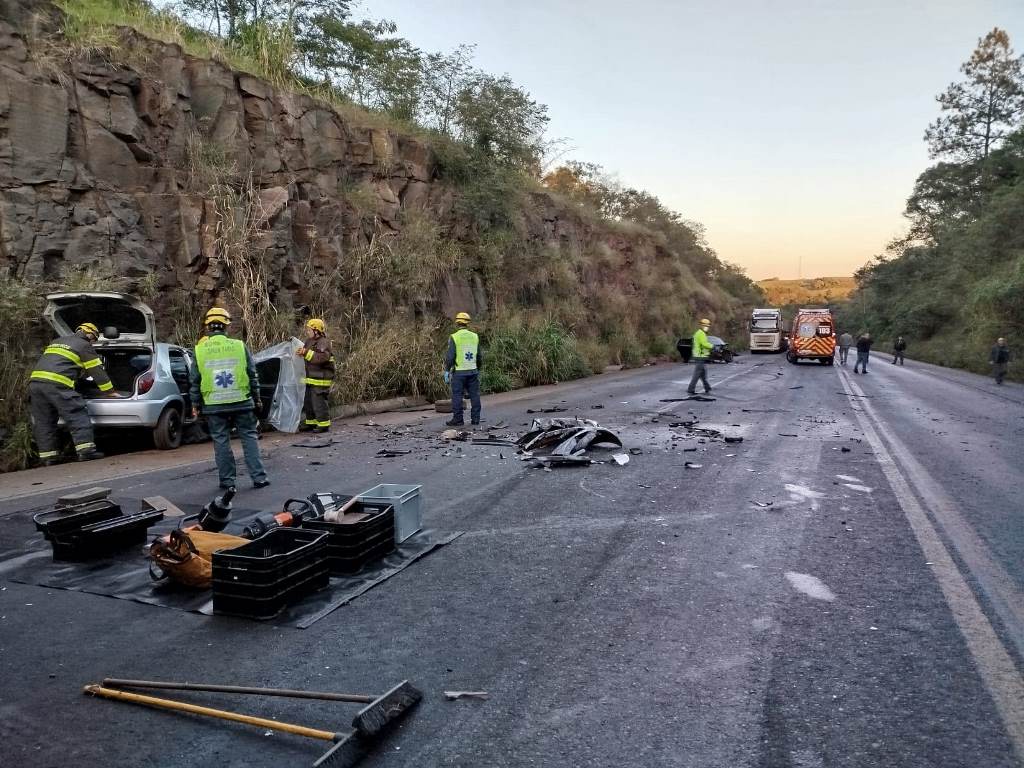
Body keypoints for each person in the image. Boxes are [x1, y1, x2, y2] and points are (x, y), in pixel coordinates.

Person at [189, 307, 269, 490]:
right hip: (242, 401)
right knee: (249, 437)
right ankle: (259, 478)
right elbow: (252, 375)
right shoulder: (239, 346)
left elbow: (194, 381)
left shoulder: (200, 350)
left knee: (221, 441)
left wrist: (195, 404)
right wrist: (256, 398)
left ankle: (228, 482)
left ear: (208, 327)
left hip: (214, 406)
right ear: (226, 326)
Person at [29, 321, 117, 465]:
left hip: (36, 384)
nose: (93, 342)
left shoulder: (57, 342)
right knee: (77, 414)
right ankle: (86, 451)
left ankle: (48, 458)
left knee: (44, 421)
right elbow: (97, 371)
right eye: (94, 339)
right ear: (89, 333)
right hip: (57, 384)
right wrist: (109, 391)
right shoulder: (84, 345)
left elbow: (61, 364)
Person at [444, 311, 482, 427]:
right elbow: (479, 355)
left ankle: (458, 419)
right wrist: (478, 368)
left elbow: (450, 356)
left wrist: (447, 370)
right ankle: (475, 419)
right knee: (474, 395)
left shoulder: (454, 337)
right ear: (467, 323)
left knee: (457, 395)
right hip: (473, 371)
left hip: (459, 373)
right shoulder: (475, 336)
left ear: (457, 323)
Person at [298, 318, 334, 433]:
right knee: (308, 402)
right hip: (311, 378)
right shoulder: (309, 341)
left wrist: (306, 353)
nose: (307, 332)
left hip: (321, 379)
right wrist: (300, 352)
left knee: (318, 402)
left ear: (316, 331)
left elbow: (322, 358)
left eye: (309, 330)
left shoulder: (324, 342)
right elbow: (306, 353)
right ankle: (311, 422)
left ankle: (323, 424)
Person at [687, 318, 713, 395]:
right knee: (697, 374)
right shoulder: (701, 334)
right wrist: (713, 346)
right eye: (705, 326)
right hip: (700, 356)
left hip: (700, 356)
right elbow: (704, 343)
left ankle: (707, 387)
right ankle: (691, 389)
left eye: (707, 326)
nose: (707, 327)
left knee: (703, 373)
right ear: (702, 326)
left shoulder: (699, 333)